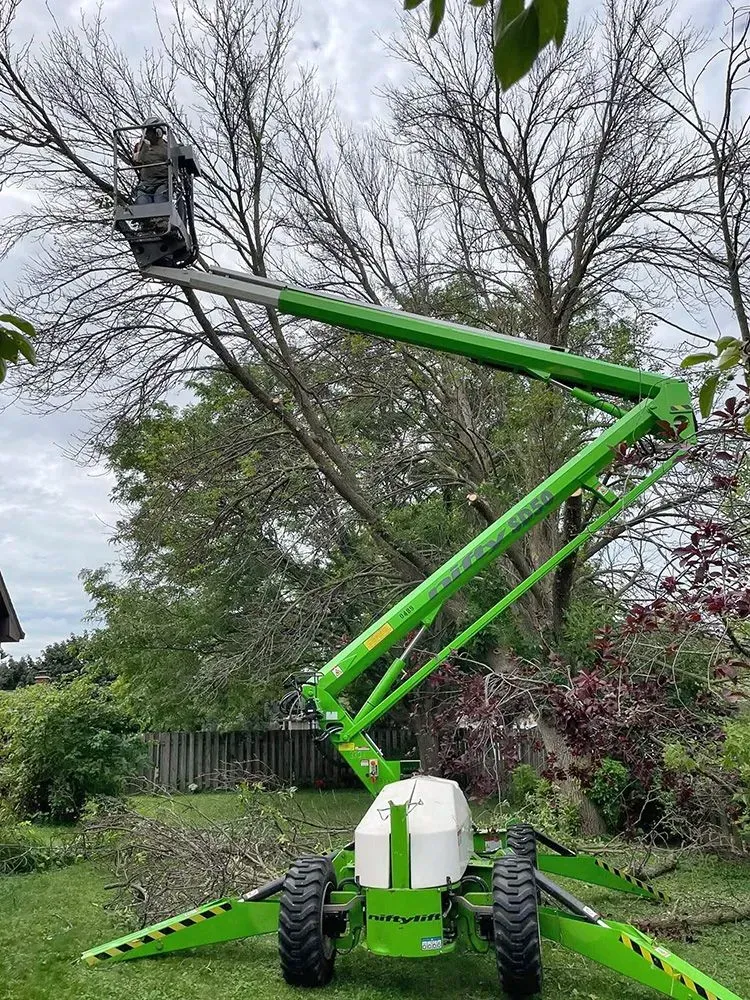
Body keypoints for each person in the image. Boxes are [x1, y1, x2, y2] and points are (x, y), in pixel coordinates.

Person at [132, 117, 170, 212]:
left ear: (158, 132)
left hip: (162, 182)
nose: (147, 135)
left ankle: (162, 223)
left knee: (160, 201)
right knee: (142, 205)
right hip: (145, 183)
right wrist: (144, 147)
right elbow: (138, 160)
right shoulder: (140, 146)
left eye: (149, 132)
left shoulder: (168, 148)